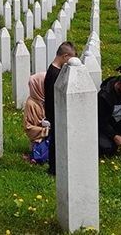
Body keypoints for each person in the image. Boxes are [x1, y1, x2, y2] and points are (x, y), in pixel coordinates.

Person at [44, 41, 77, 176]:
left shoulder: (55, 70)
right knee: (56, 140)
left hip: (55, 111)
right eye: (71, 58)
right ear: (65, 56)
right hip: (55, 111)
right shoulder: (54, 73)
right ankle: (53, 168)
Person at [22, 73, 50, 164]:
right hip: (39, 140)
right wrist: (45, 131)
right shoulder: (31, 104)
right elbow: (28, 127)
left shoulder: (48, 99)